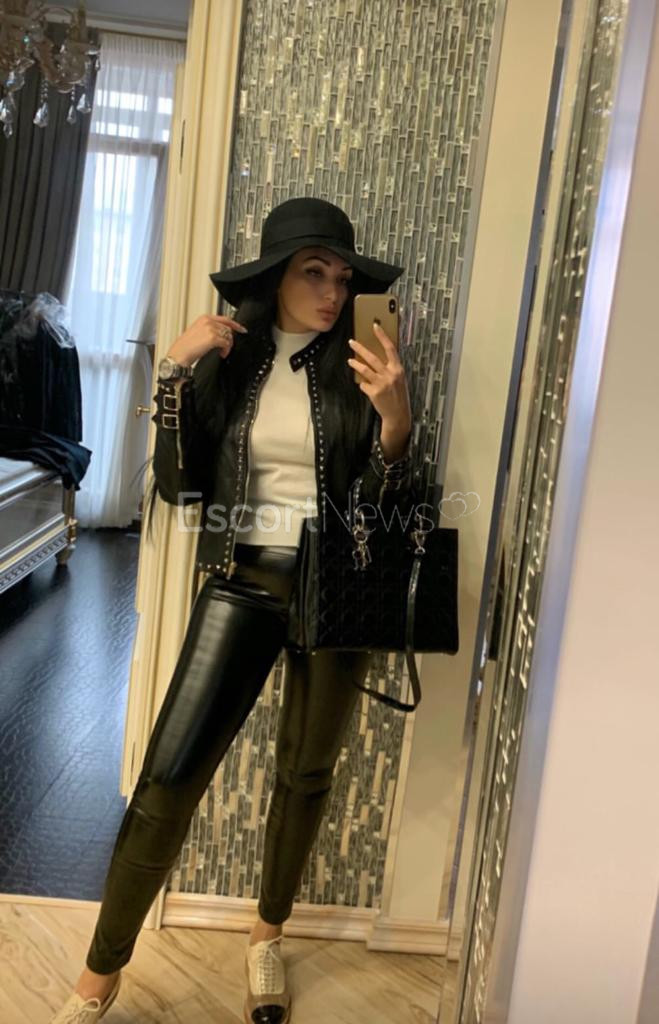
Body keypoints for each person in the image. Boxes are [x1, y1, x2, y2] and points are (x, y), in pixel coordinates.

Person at [49, 197, 415, 1024]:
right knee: (166, 783)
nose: (331, 291)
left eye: (342, 276)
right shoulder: (235, 359)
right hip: (240, 579)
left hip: (336, 591)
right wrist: (173, 376)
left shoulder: (365, 363)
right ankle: (98, 977)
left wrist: (395, 422)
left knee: (306, 775)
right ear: (275, 277)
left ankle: (265, 937)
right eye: (312, 272)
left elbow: (381, 506)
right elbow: (179, 486)